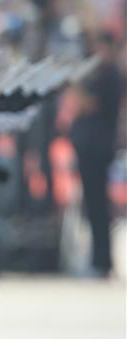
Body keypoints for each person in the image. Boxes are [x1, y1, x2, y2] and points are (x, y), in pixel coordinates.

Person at [70, 30, 125, 277]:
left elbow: (90, 105)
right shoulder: (101, 74)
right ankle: (98, 258)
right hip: (90, 147)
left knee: (98, 206)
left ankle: (102, 260)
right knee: (92, 206)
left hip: (98, 148)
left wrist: (75, 84)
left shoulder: (111, 76)